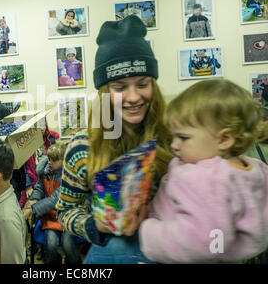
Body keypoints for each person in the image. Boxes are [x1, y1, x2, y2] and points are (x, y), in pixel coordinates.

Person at [56, 15, 173, 264]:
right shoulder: (81, 147)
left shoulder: (175, 137)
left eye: (142, 84)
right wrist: (98, 224)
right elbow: (65, 211)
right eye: (120, 88)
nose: (133, 97)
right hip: (114, 254)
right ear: (104, 92)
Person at [138, 79, 268, 263]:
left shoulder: (206, 178)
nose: (174, 145)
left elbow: (205, 244)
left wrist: (148, 232)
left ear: (224, 139)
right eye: (173, 136)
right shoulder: (255, 169)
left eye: (183, 137)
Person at [23, 141, 82, 264]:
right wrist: (33, 200)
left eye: (53, 160)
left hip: (68, 215)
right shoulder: (46, 172)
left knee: (67, 244)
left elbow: (55, 199)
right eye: (48, 159)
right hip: (51, 216)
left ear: (63, 160)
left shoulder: (69, 176)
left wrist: (33, 208)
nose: (49, 162)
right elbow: (39, 188)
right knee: (50, 243)